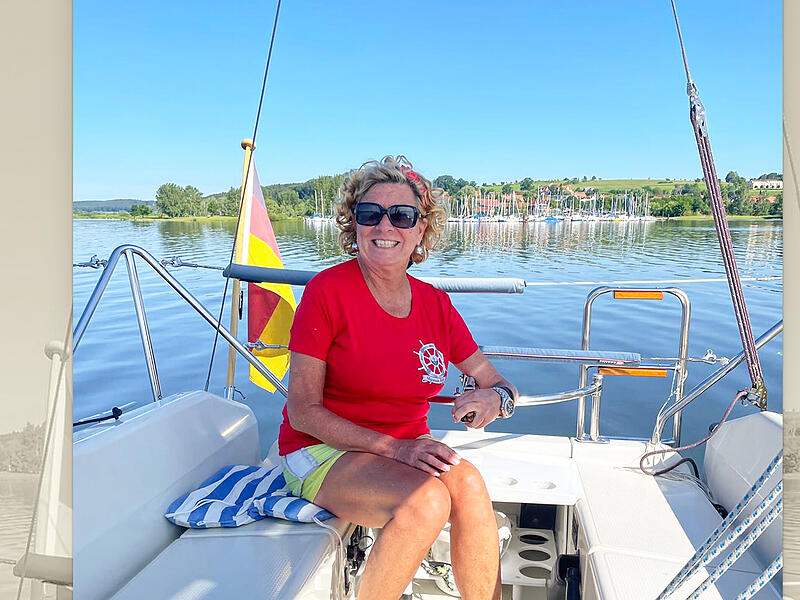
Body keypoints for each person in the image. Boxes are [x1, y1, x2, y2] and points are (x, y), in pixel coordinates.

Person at [278, 155, 517, 600]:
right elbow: (303, 412)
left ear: (421, 229)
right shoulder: (327, 292)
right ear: (354, 223)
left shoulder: (435, 304)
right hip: (322, 449)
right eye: (370, 213)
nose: (384, 226)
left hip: (405, 449)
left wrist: (495, 399)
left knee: (469, 486)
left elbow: (497, 381)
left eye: (402, 215)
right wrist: (396, 448)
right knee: (425, 502)